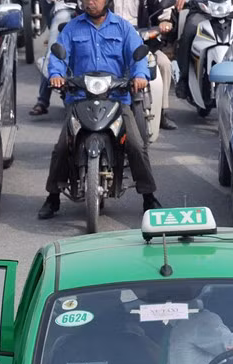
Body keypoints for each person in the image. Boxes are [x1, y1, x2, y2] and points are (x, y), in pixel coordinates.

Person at [37, 0, 161, 220]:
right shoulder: (73, 27)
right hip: (80, 98)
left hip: (116, 98)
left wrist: (140, 76)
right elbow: (58, 55)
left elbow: (137, 56)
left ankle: (148, 196)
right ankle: (53, 198)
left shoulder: (123, 28)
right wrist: (56, 75)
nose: (89, 2)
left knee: (135, 145)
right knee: (61, 147)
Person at [111, 0, 177, 131]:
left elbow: (161, 10)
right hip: (110, 42)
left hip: (143, 41)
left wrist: (165, 22)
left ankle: (162, 112)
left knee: (164, 64)